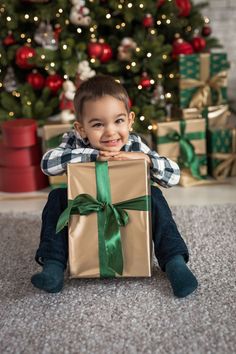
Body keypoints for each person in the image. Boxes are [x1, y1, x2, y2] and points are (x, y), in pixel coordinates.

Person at [31, 75, 198, 297]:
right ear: (81, 129)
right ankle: (53, 265)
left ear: (129, 120)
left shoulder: (134, 143)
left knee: (155, 196)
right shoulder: (74, 141)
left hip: (127, 208)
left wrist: (147, 160)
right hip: (87, 206)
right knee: (57, 197)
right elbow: (47, 164)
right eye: (98, 124)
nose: (110, 132)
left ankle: (175, 262)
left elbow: (174, 176)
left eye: (118, 121)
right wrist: (94, 155)